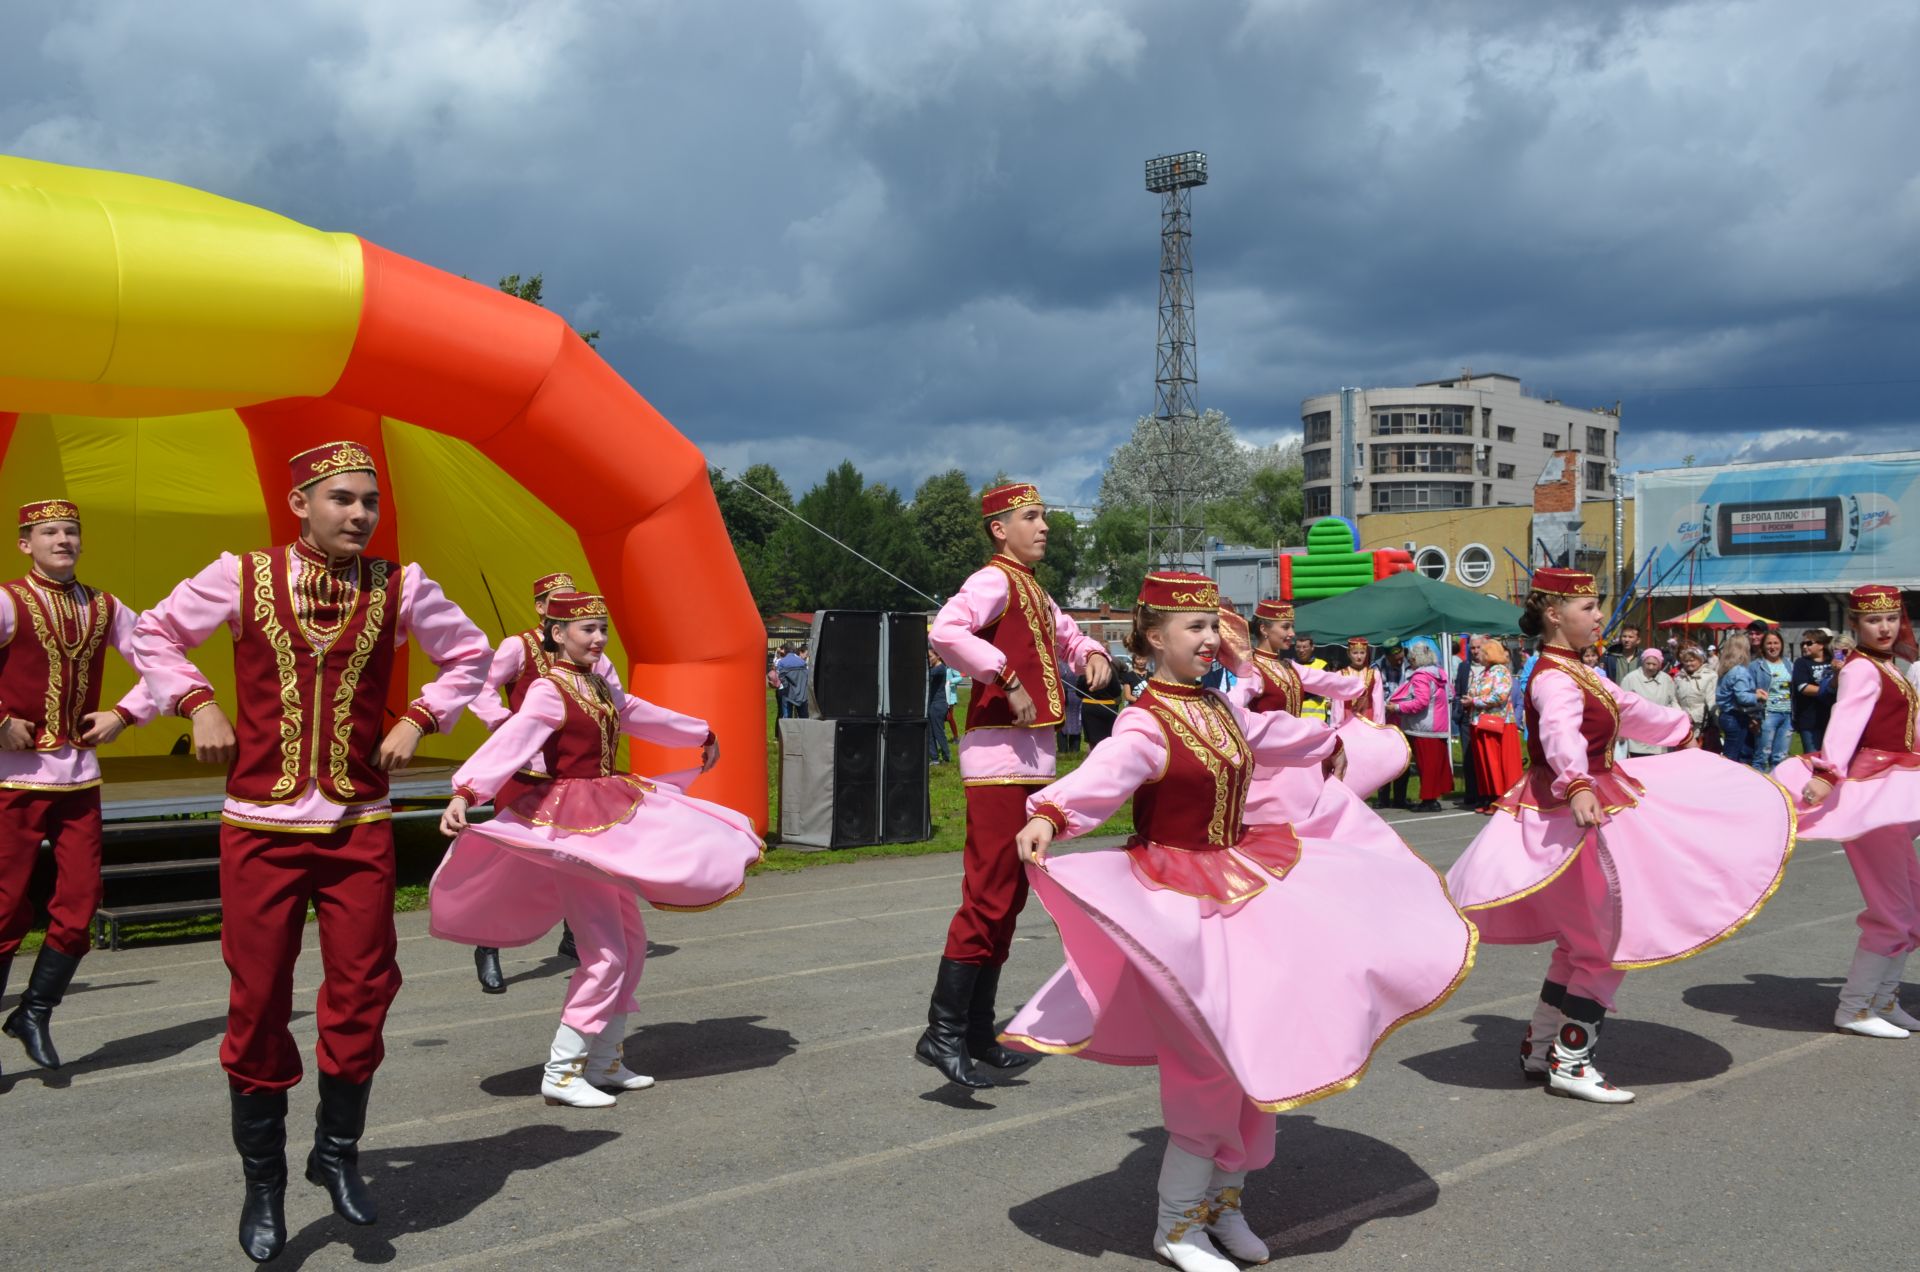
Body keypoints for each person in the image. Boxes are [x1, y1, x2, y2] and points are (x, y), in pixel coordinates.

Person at [1003, 573, 1475, 1272]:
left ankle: (1225, 1205)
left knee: (1256, 1045)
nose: (1208, 640)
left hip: (1244, 879)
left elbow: (1272, 731)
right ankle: (1176, 1225)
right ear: (1153, 638)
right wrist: (1049, 814)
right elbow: (1103, 778)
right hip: (1176, 900)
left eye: (1212, 627)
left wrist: (1330, 744)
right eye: (1191, 628)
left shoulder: (1220, 707)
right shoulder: (1145, 720)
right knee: (1205, 1059)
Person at [130, 441, 492, 1263]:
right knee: (258, 999)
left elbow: (472, 655)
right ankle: (262, 1181)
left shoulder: (403, 585)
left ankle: (336, 1153)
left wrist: (419, 717)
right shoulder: (242, 574)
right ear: (300, 504)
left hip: (358, 822)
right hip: (259, 825)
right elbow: (151, 632)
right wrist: (197, 703)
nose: (359, 514)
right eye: (341, 499)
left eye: (368, 501)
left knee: (365, 987)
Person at [1446, 569, 1794, 1103]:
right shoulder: (1554, 677)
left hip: (1593, 801)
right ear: (1553, 615)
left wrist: (1681, 728)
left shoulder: (1582, 672)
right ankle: (1571, 1060)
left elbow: (1628, 710)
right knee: (1608, 941)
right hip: (1579, 809)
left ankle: (1542, 1050)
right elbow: (1561, 734)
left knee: (1581, 942)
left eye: (1596, 606)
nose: (1599, 615)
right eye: (1588, 607)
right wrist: (1578, 781)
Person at [432, 592, 761, 1102]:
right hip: (569, 824)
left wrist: (701, 729)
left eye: (602, 628)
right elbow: (514, 738)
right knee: (605, 953)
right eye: (587, 629)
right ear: (557, 633)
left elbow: (637, 712)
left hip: (606, 813)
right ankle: (562, 1072)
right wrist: (469, 790)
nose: (599, 638)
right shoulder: (548, 689)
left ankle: (605, 1060)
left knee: (629, 944)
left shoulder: (598, 684)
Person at [916, 482, 1112, 1090]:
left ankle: (976, 1032)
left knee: (1011, 897)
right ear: (1000, 528)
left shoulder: (1033, 587)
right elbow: (946, 632)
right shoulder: (993, 580)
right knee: (989, 892)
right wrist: (1005, 676)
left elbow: (1065, 632)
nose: (1045, 526)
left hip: (1031, 758)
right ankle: (943, 1030)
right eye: (1032, 517)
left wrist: (1090, 652)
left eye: (1044, 516)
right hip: (997, 755)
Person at [0, 499, 157, 1074]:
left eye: (71, 531)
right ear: (26, 544)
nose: (62, 540)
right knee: (2, 906)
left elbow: (161, 660)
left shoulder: (106, 607)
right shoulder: (7, 601)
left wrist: (124, 714)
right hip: (10, 780)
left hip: (78, 779)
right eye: (49, 532)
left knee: (81, 902)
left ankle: (35, 1011)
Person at [1774, 585, 1920, 1038]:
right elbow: (1846, 724)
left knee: (1912, 908)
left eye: (1892, 618)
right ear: (1854, 624)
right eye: (1875, 620)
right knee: (1894, 909)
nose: (1885, 627)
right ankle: (1854, 1008)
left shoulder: (1889, 667)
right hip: (1873, 791)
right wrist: (1828, 772)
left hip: (1894, 785)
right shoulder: (1862, 670)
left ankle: (1884, 999)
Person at [466, 570, 612, 994]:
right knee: (509, 864)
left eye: (572, 598)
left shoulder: (592, 652)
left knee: (581, 853)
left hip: (571, 778)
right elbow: (481, 687)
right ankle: (487, 944)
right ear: (542, 608)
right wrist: (508, 725)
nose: (564, 604)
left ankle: (574, 935)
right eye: (556, 599)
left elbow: (620, 698)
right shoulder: (519, 646)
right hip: (525, 772)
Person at [1386, 638, 1452, 811]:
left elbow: (1420, 702)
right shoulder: (1440, 674)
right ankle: (1432, 799)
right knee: (1435, 765)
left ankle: (1428, 801)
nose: (1410, 661)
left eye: (1411, 659)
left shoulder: (1421, 676)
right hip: (1439, 725)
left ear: (1415, 659)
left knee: (1426, 766)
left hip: (1423, 726)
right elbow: (1450, 695)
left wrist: (1397, 707)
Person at [1462, 636, 1520, 813]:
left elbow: (1499, 696)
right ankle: (1488, 797)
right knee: (1485, 764)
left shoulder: (1501, 671)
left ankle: (1500, 799)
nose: (1479, 654)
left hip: (1497, 723)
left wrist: (1475, 701)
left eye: (1483, 651)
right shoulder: (1485, 671)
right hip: (1481, 722)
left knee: (1496, 762)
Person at [1619, 650, 1678, 757]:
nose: (1651, 667)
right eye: (1648, 663)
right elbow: (1622, 706)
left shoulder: (1666, 679)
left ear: (1660, 665)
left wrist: (1680, 716)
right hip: (1638, 732)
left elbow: (1672, 701)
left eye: (1654, 664)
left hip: (1660, 731)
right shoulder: (1630, 678)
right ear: (1642, 662)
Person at [1714, 633, 1761, 767]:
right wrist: (1758, 696)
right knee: (1734, 756)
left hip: (1725, 715)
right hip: (1735, 716)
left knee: (1730, 752)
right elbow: (1743, 697)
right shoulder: (1739, 671)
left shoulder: (1726, 670)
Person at [1750, 630, 1794, 774]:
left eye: (1776, 643)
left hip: (1787, 714)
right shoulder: (1756, 666)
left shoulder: (1789, 664)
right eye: (1769, 643)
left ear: (1781, 645)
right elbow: (1749, 691)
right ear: (1763, 646)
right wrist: (1753, 717)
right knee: (1762, 755)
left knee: (1780, 757)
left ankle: (1778, 786)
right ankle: (1759, 786)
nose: (1773, 646)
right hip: (1767, 714)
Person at [1790, 628, 1837, 756]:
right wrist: (1830, 690)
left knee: (1833, 756)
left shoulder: (1833, 661)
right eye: (1802, 644)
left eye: (1809, 643)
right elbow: (1803, 687)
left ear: (1821, 645)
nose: (1805, 646)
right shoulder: (1801, 663)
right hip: (1809, 720)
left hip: (1832, 718)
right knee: (1812, 757)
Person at [1451, 635, 1483, 809]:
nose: (1476, 651)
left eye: (1478, 648)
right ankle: (1471, 794)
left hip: (1484, 718)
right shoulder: (1464, 666)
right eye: (1473, 648)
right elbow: (1457, 690)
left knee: (1483, 757)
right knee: (1468, 757)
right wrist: (1458, 710)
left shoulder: (1490, 667)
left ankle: (1485, 793)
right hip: (1466, 718)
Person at [1673, 645, 1719, 753]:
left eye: (1692, 660)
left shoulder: (1710, 676)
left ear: (1700, 660)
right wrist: (1681, 716)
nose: (1689, 664)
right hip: (1682, 726)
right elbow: (1674, 699)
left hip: (1702, 726)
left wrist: (1692, 717)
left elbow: (1711, 702)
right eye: (1686, 661)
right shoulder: (1679, 677)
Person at [1291, 631, 1329, 724]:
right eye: (1298, 647)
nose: (1301, 650)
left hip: (1316, 717)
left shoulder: (1322, 665)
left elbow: (1321, 688)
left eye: (1305, 647)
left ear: (1312, 647)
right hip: (1295, 716)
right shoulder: (1290, 665)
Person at [928, 649, 954, 763]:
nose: (928, 659)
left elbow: (926, 675)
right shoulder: (933, 668)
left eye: (930, 656)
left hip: (938, 705)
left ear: (938, 656)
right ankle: (934, 759)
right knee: (930, 732)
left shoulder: (940, 669)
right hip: (931, 704)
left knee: (938, 732)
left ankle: (946, 757)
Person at [776, 644, 809, 719]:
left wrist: (786, 685)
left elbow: (780, 676)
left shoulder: (782, 662)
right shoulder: (802, 662)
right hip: (802, 694)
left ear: (785, 651)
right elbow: (806, 676)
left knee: (787, 719)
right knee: (803, 718)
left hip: (788, 694)